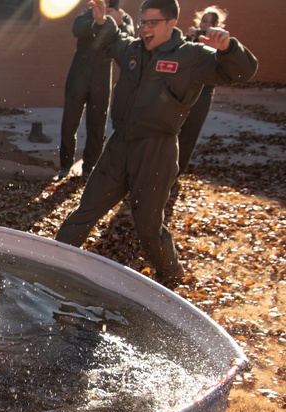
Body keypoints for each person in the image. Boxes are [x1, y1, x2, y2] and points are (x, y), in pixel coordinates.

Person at [54, 0, 257, 288]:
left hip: (156, 150)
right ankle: (51, 266)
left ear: (171, 23)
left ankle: (171, 276)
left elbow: (240, 72)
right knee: (84, 211)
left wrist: (228, 49)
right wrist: (102, 22)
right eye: (142, 22)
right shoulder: (134, 51)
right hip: (119, 145)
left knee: (148, 228)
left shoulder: (191, 56)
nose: (145, 29)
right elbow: (114, 40)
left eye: (152, 23)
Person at [58, 0, 134, 180]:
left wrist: (119, 23)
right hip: (80, 71)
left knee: (97, 124)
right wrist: (97, 22)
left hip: (102, 73)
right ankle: (65, 165)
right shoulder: (88, 12)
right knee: (69, 122)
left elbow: (130, 37)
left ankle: (89, 167)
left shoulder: (122, 16)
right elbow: (77, 29)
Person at [175, 6, 227, 178]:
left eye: (211, 23)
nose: (206, 25)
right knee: (174, 129)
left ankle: (177, 172)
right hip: (185, 90)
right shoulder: (190, 40)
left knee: (190, 132)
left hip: (204, 93)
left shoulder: (219, 43)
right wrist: (189, 39)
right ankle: (164, 167)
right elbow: (178, 58)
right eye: (204, 21)